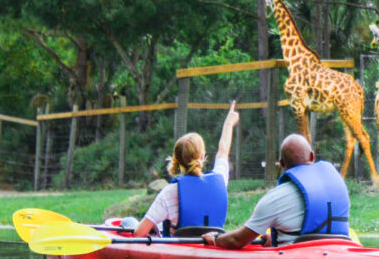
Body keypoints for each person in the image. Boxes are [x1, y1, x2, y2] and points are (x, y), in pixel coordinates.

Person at [206, 133, 350, 248]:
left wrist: (216, 238)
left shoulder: (276, 198)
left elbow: (237, 240)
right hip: (340, 251)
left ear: (281, 163)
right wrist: (275, 239)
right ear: (312, 156)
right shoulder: (338, 186)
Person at [126, 103, 240, 236]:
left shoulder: (169, 192)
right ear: (202, 156)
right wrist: (228, 124)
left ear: (176, 160)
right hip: (211, 246)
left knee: (129, 222)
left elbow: (139, 233)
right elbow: (223, 150)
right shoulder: (220, 179)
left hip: (178, 250)